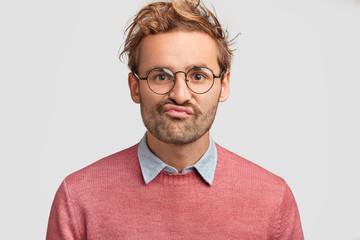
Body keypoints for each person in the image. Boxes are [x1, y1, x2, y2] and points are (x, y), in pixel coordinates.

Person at [46, 0, 304, 239]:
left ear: (223, 85)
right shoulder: (79, 198)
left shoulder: (272, 199)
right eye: (161, 76)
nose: (180, 95)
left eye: (198, 76)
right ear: (135, 87)